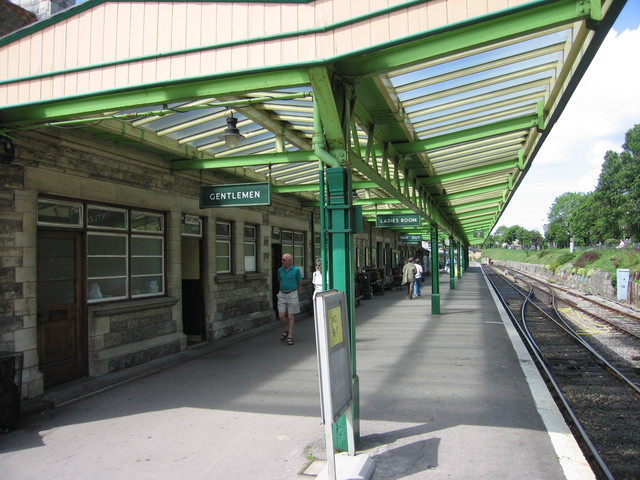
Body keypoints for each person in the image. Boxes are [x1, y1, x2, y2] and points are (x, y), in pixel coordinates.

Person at [277, 253, 302, 346]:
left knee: (290, 316)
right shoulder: (280, 270)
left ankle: (290, 336)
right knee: (281, 315)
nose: (282, 261)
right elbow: (279, 280)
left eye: (284, 260)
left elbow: (299, 281)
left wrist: (298, 290)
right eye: (282, 259)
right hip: (282, 294)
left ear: (289, 261)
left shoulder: (296, 270)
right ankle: (286, 328)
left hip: (292, 293)